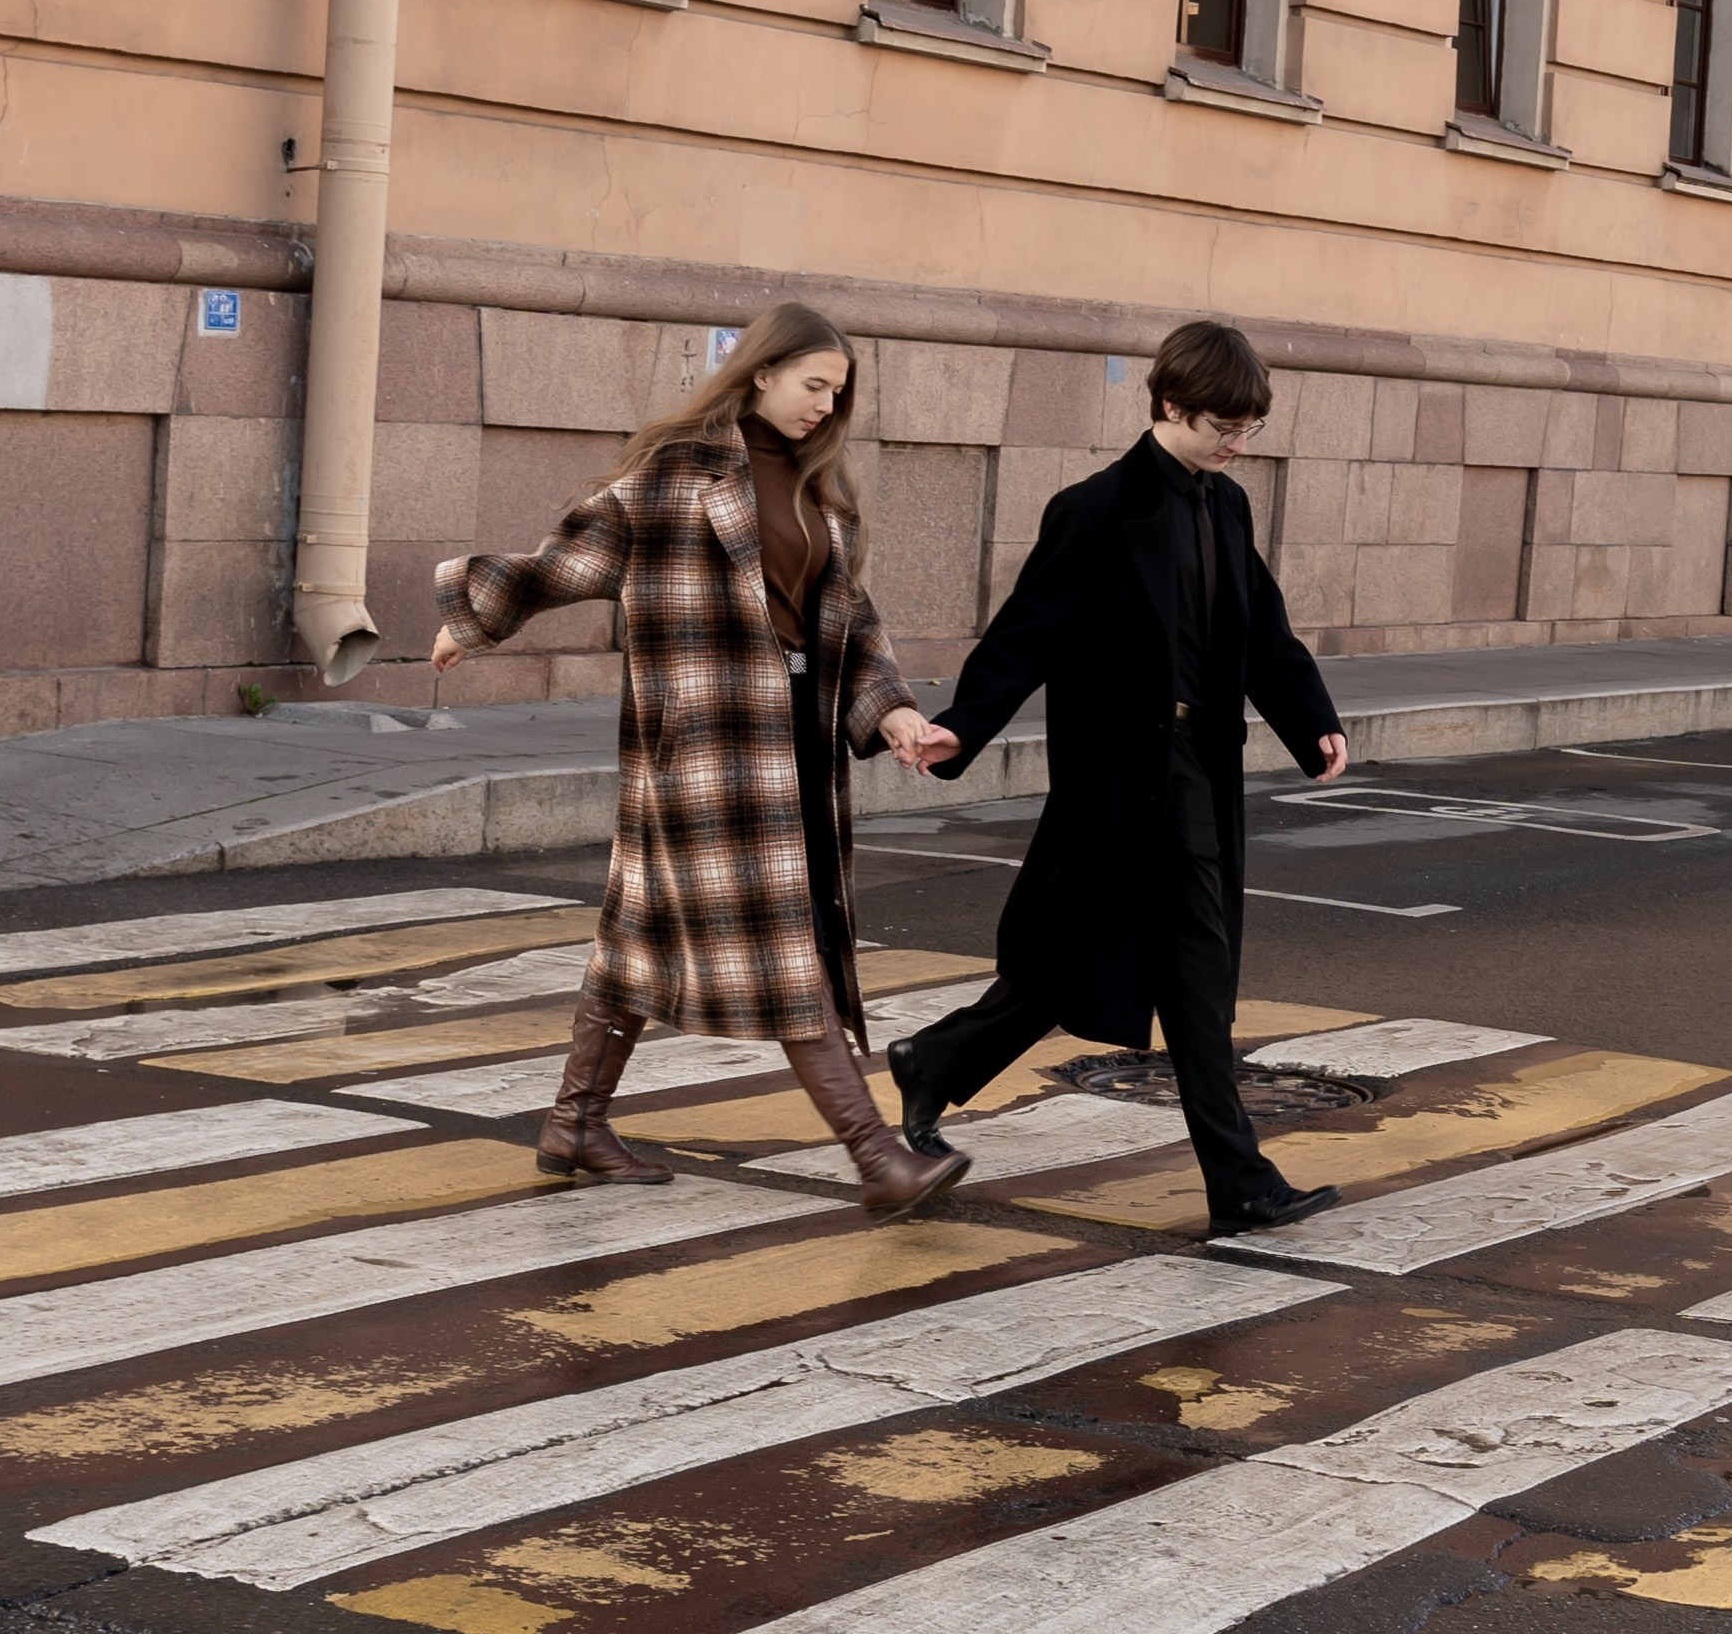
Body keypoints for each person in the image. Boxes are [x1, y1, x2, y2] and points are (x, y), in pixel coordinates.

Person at [431, 302, 970, 1219]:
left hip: (793, 739)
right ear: (761, 373)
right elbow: (567, 558)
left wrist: (897, 717)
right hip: (704, 754)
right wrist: (472, 622)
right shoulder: (676, 476)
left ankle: (576, 1123)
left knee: (638, 941)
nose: (825, 408)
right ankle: (876, 1156)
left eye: (838, 395)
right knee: (784, 944)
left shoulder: (817, 493)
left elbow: (849, 623)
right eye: (813, 387)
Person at [888, 318, 1349, 1247]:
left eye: (1250, 428)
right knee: (1076, 966)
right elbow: (1028, 633)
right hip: (1116, 787)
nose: (1237, 442)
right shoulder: (1095, 510)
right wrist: (960, 726)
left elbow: (1262, 629)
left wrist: (1312, 718)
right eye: (1224, 423)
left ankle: (1234, 1181)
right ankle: (935, 1062)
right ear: (1170, 402)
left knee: (1192, 978)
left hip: (1196, 779)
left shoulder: (1225, 507)